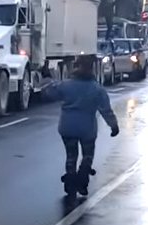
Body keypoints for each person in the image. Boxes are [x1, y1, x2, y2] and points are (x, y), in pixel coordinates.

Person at [40, 54, 120, 197]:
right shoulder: (97, 89)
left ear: (75, 68)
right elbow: (105, 110)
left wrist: (46, 77)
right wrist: (113, 126)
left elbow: (49, 92)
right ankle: (82, 180)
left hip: (67, 126)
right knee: (87, 155)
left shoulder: (66, 85)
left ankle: (70, 182)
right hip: (87, 128)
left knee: (71, 155)